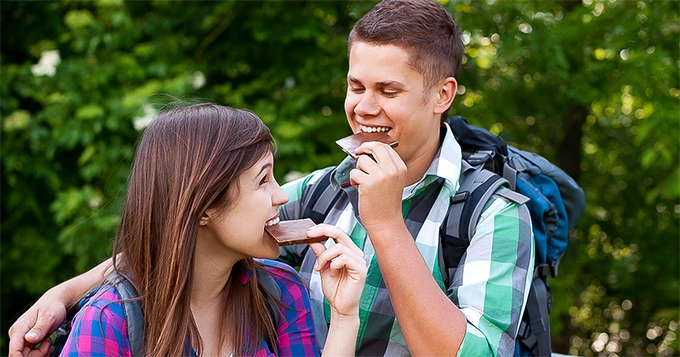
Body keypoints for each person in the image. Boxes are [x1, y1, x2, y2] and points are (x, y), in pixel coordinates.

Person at [9, 1, 534, 356]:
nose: (363, 108)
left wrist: (387, 225)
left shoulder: (495, 213)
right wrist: (65, 293)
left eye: (388, 91)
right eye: (356, 86)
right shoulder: (324, 190)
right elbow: (186, 232)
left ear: (442, 95)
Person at [11, 103, 367, 357]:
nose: (279, 196)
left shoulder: (283, 293)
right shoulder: (110, 322)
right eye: (263, 180)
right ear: (203, 207)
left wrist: (344, 317)